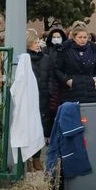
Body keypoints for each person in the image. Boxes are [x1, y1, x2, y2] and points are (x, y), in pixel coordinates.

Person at [26, 29, 54, 170]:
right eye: (34, 42)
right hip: (28, 98)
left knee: (39, 128)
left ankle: (36, 158)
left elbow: (50, 77)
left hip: (43, 97)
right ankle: (26, 160)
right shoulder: (24, 58)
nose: (38, 45)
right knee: (26, 128)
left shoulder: (46, 58)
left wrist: (49, 92)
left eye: (38, 42)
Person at [54, 24, 96, 104]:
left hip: (90, 88)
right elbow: (58, 69)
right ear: (74, 38)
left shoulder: (93, 49)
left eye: (85, 37)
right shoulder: (65, 50)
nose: (82, 40)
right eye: (80, 37)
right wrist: (67, 81)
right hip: (72, 89)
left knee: (90, 113)